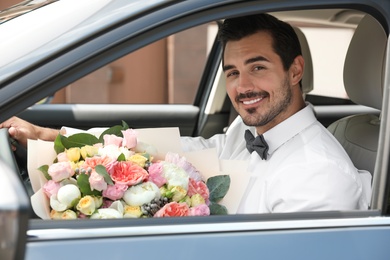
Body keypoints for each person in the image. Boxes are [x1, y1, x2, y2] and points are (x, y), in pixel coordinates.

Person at [0, 14, 371, 214]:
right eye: (233, 72)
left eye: (258, 67)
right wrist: (56, 138)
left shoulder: (318, 175)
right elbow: (182, 149)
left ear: (294, 70)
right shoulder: (247, 130)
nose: (243, 87)